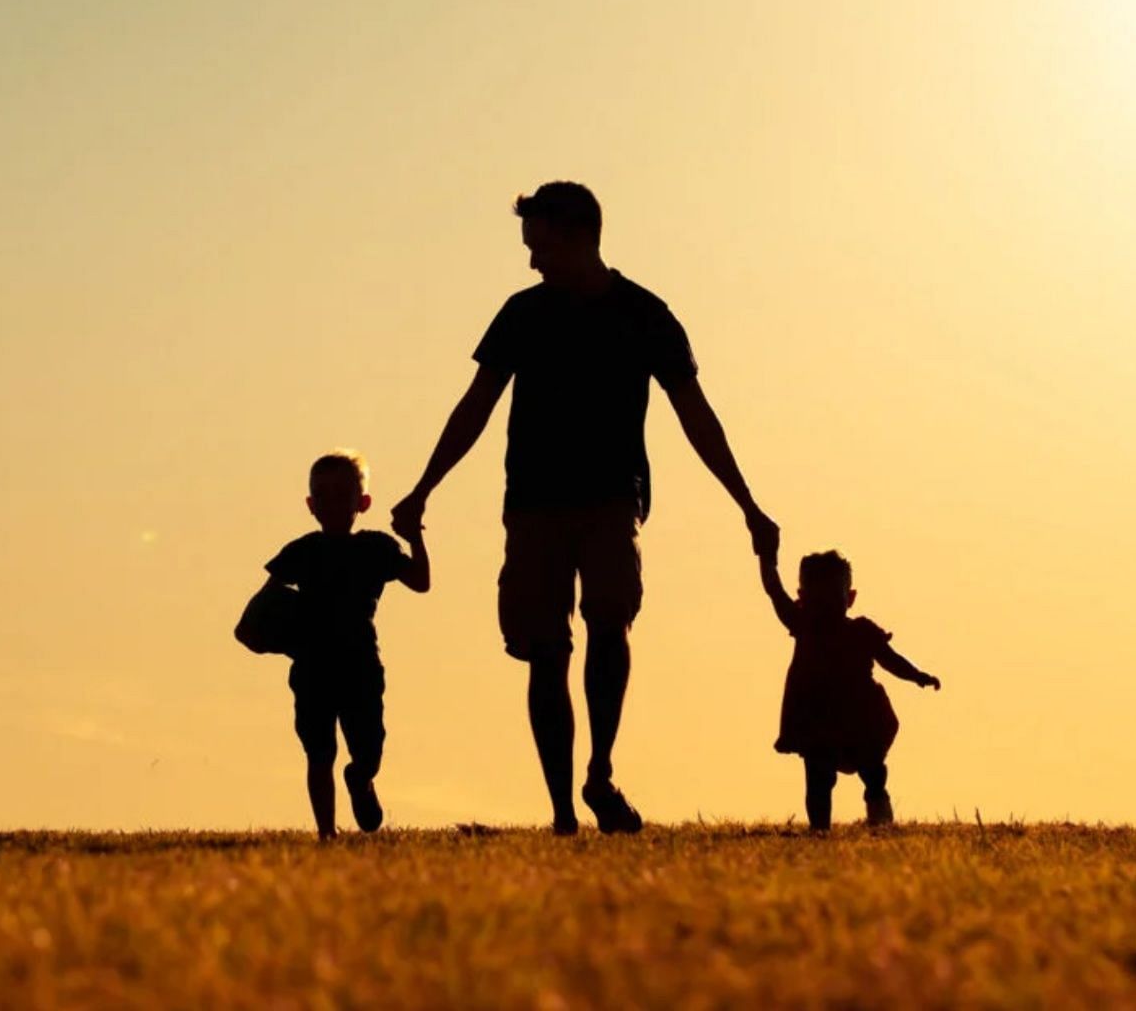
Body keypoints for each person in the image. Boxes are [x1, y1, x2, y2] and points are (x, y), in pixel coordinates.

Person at [391, 181, 778, 835]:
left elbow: (697, 417)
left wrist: (748, 503)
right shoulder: (521, 315)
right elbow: (475, 407)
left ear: (573, 236)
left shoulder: (645, 315)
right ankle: (564, 810)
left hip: (610, 499)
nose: (531, 261)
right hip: (533, 503)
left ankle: (599, 770)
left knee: (608, 624)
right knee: (545, 650)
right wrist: (424, 486)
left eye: (537, 245)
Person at [243, 450, 430, 839]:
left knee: (369, 746)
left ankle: (360, 778)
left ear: (362, 503)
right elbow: (268, 594)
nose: (331, 503)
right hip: (312, 663)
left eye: (342, 494)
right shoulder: (302, 550)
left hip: (360, 662)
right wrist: (255, 626)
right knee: (318, 751)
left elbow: (420, 581)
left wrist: (414, 539)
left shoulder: (375, 548)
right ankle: (326, 834)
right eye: (322, 495)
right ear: (311, 505)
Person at [758, 546, 941, 831]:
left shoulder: (861, 631)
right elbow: (774, 591)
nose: (825, 606)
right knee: (818, 777)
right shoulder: (803, 624)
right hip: (816, 720)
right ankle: (820, 830)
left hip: (860, 718)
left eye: (833, 597)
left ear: (850, 598)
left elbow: (889, 658)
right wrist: (766, 557)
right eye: (817, 599)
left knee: (872, 768)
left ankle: (878, 805)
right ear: (803, 599)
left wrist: (916, 675)